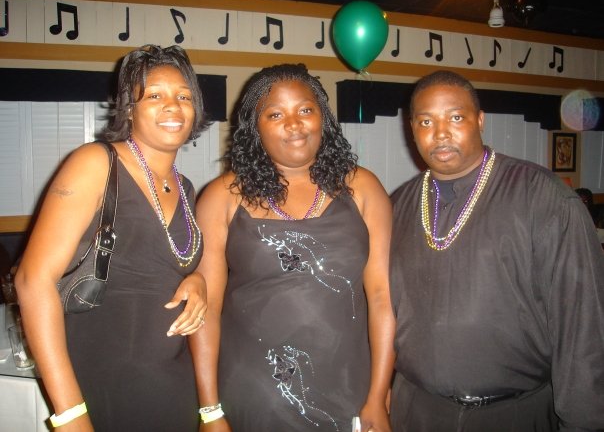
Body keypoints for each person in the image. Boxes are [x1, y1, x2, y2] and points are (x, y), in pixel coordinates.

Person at [389, 70, 604, 431]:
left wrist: (583, 423)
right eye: (426, 121)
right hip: (416, 411)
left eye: (455, 117)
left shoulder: (543, 199)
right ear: (412, 129)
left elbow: (582, 324)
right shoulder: (397, 206)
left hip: (514, 414)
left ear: (480, 120)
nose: (440, 133)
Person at [189, 63, 395, 432]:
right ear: (255, 127)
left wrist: (378, 394)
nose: (294, 124)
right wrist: (211, 411)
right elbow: (207, 309)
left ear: (323, 118)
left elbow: (382, 297)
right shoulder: (222, 196)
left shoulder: (363, 187)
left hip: (348, 387)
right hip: (254, 395)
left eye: (305, 110)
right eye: (275, 114)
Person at [15, 45, 208, 431]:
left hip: (174, 383)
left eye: (184, 96)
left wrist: (198, 279)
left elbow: (163, 262)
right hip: (108, 385)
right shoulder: (96, 163)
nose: (173, 106)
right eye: (154, 96)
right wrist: (70, 414)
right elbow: (32, 281)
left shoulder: (184, 186)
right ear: (129, 108)